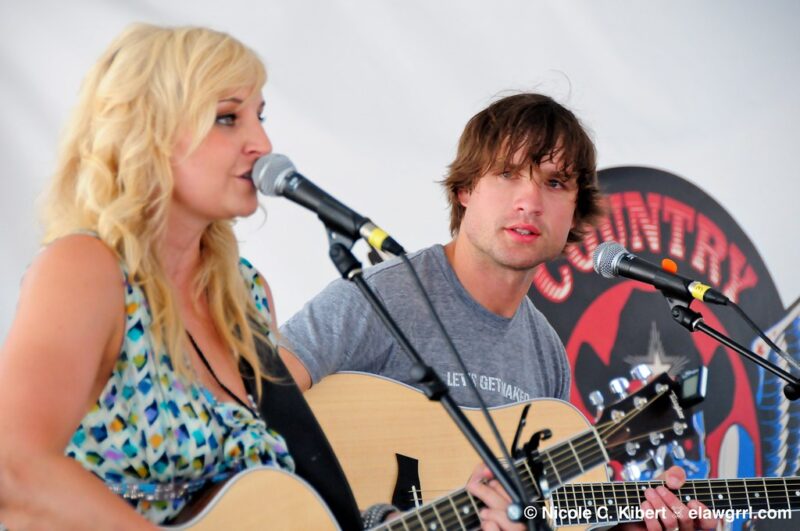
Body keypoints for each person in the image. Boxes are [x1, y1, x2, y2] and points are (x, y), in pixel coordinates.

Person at [0, 24, 523, 531]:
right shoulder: (88, 270)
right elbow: (15, 471)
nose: (262, 142)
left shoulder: (244, 298)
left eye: (260, 116)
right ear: (149, 132)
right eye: (228, 118)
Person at [278, 93, 718, 530]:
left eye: (555, 182)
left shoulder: (546, 353)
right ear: (465, 189)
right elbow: (246, 409)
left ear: (574, 213)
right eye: (508, 174)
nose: (529, 201)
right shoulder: (379, 297)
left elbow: (541, 512)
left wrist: (630, 528)